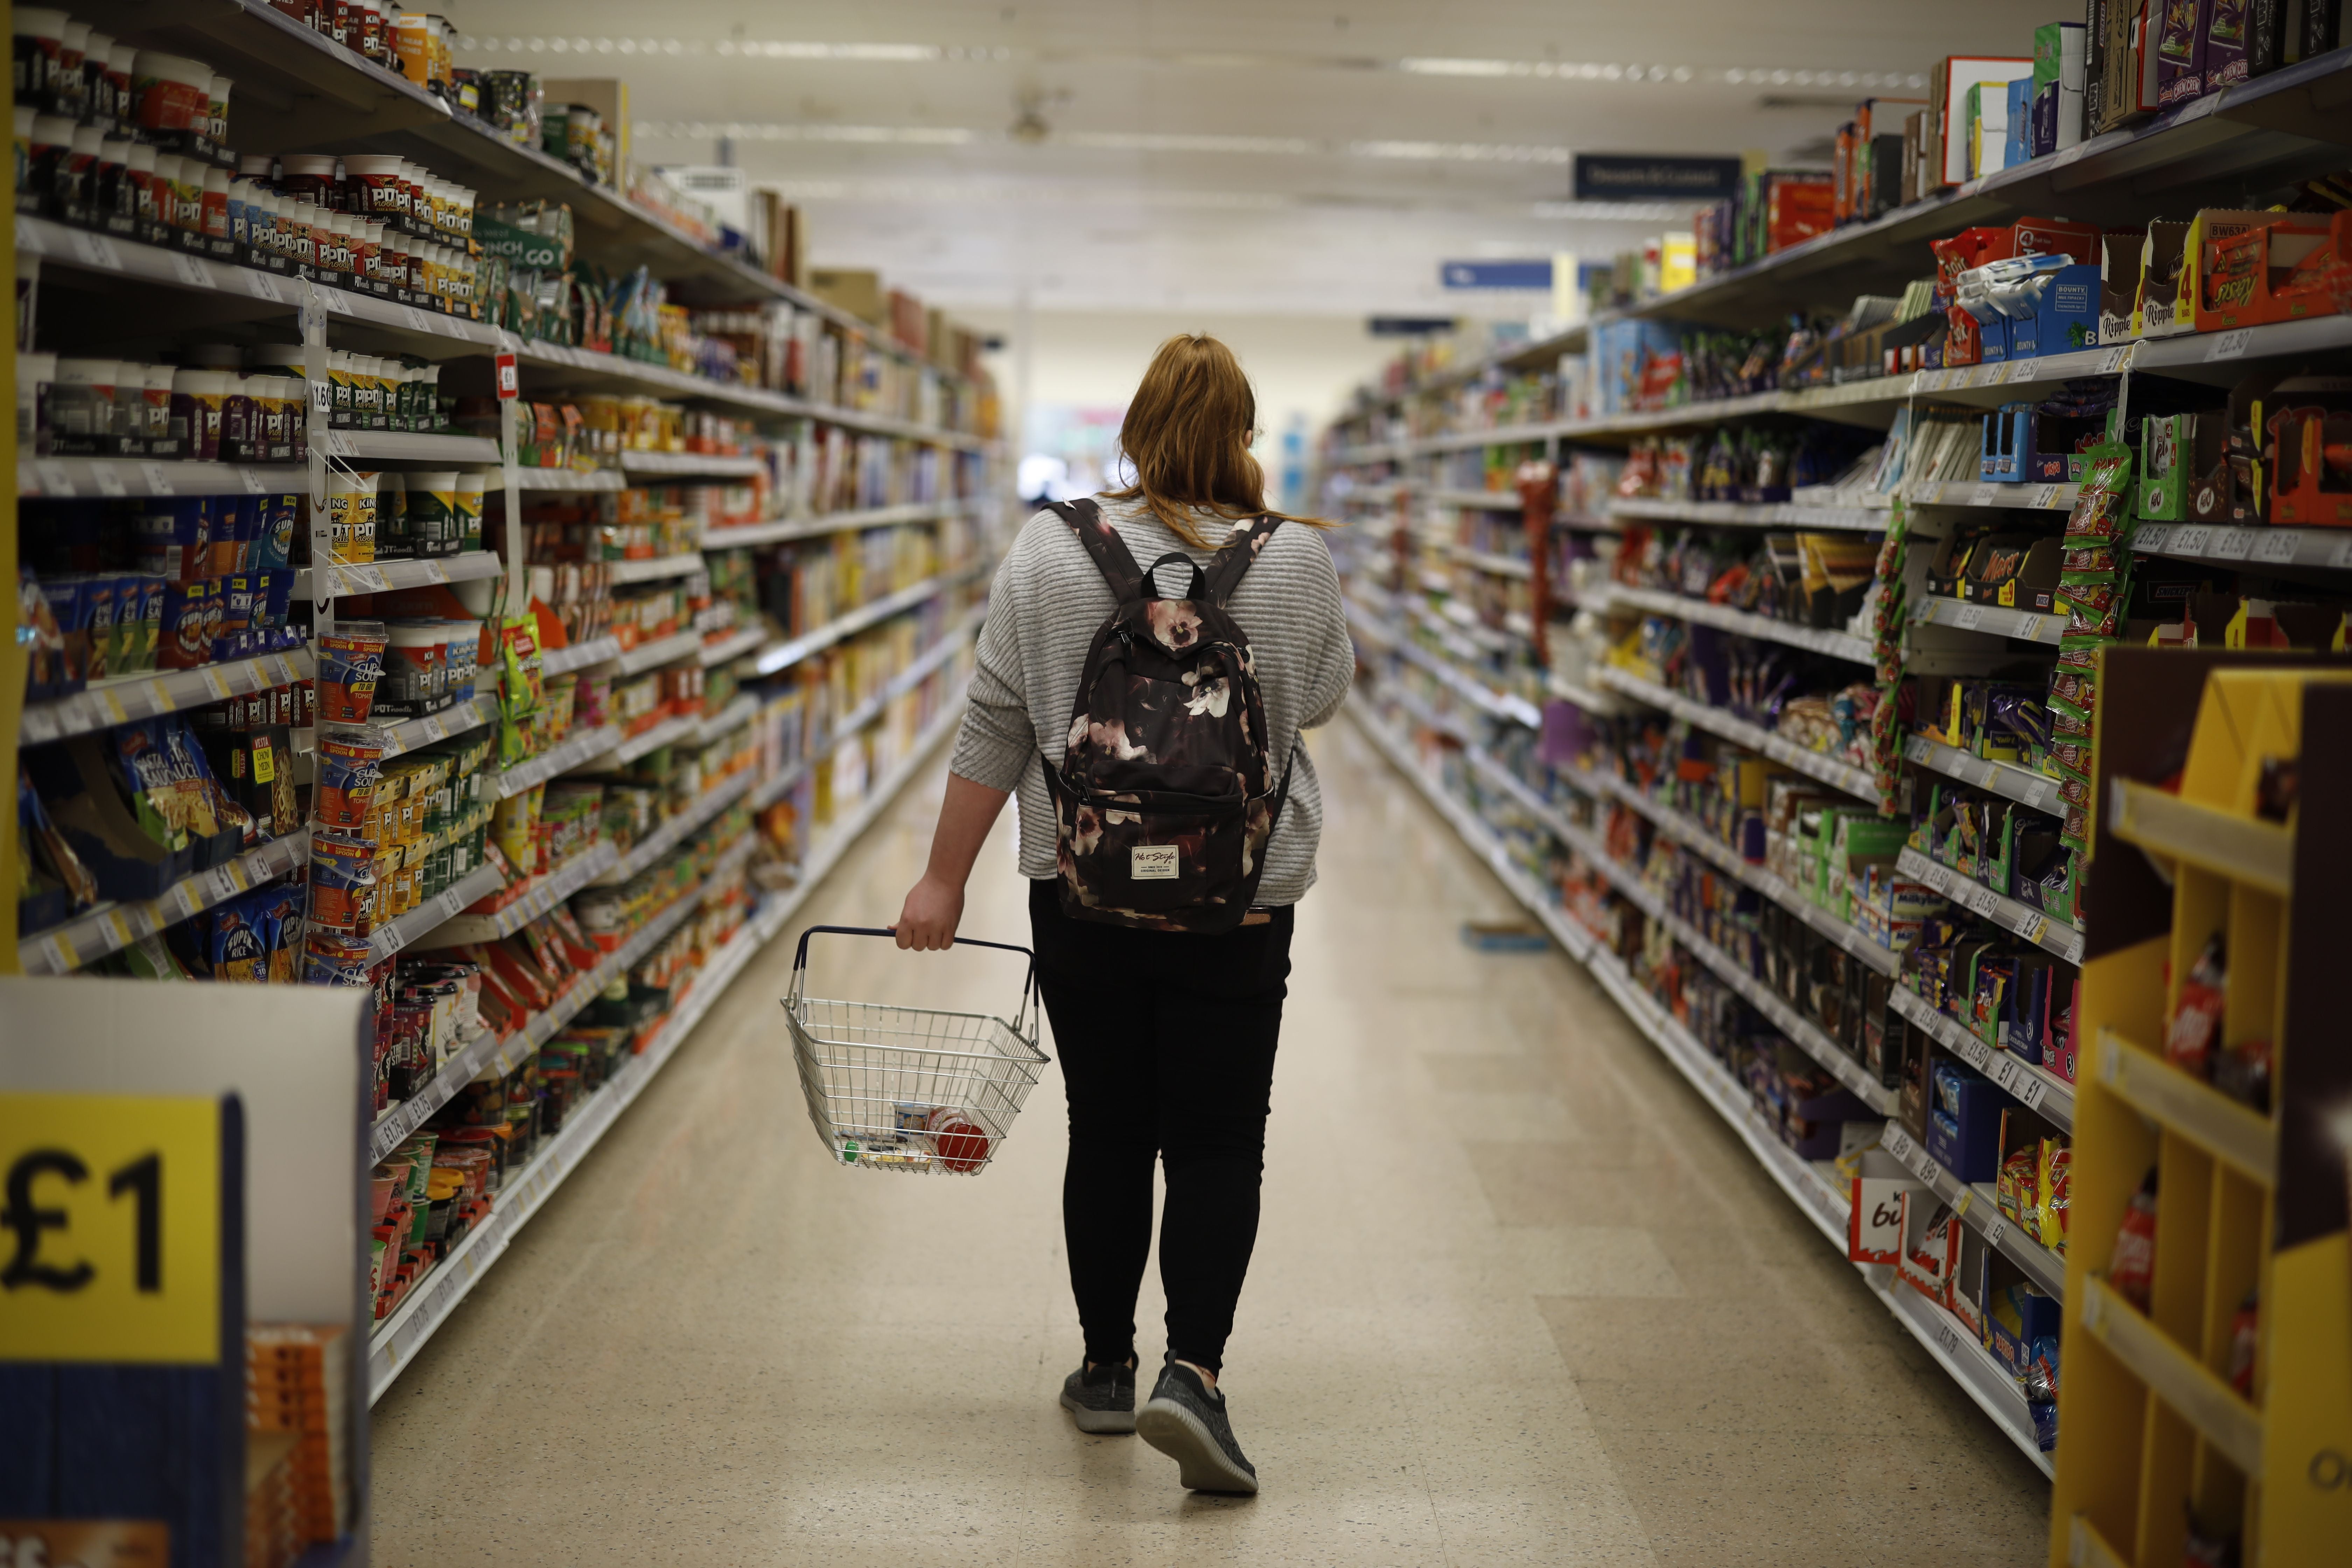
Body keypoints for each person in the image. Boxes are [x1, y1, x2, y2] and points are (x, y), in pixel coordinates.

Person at [895, 333, 1353, 1495]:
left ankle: (1105, 1371)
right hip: (1242, 901)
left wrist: (940, 879)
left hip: (1084, 891)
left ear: (1135, 435)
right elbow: (1331, 696)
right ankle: (1193, 1375)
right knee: (1216, 1138)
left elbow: (995, 721)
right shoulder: (1296, 562)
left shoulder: (1049, 551)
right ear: (1242, 437)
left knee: (1106, 1131)